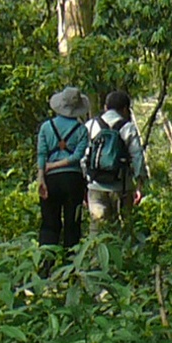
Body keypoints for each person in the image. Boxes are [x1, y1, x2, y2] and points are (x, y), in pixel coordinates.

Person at [35, 87, 90, 260]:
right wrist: (58, 165)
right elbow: (77, 157)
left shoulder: (46, 127)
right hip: (73, 181)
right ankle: (70, 268)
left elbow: (42, 154)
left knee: (49, 224)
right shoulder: (81, 130)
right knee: (72, 224)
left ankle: (46, 265)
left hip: (51, 180)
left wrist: (42, 176)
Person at [84, 90, 147, 230]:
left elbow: (83, 157)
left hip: (95, 186)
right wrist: (139, 184)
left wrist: (85, 182)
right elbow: (137, 157)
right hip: (122, 187)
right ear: (125, 109)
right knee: (123, 230)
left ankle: (97, 252)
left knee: (97, 231)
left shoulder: (91, 125)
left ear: (106, 107)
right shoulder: (128, 127)